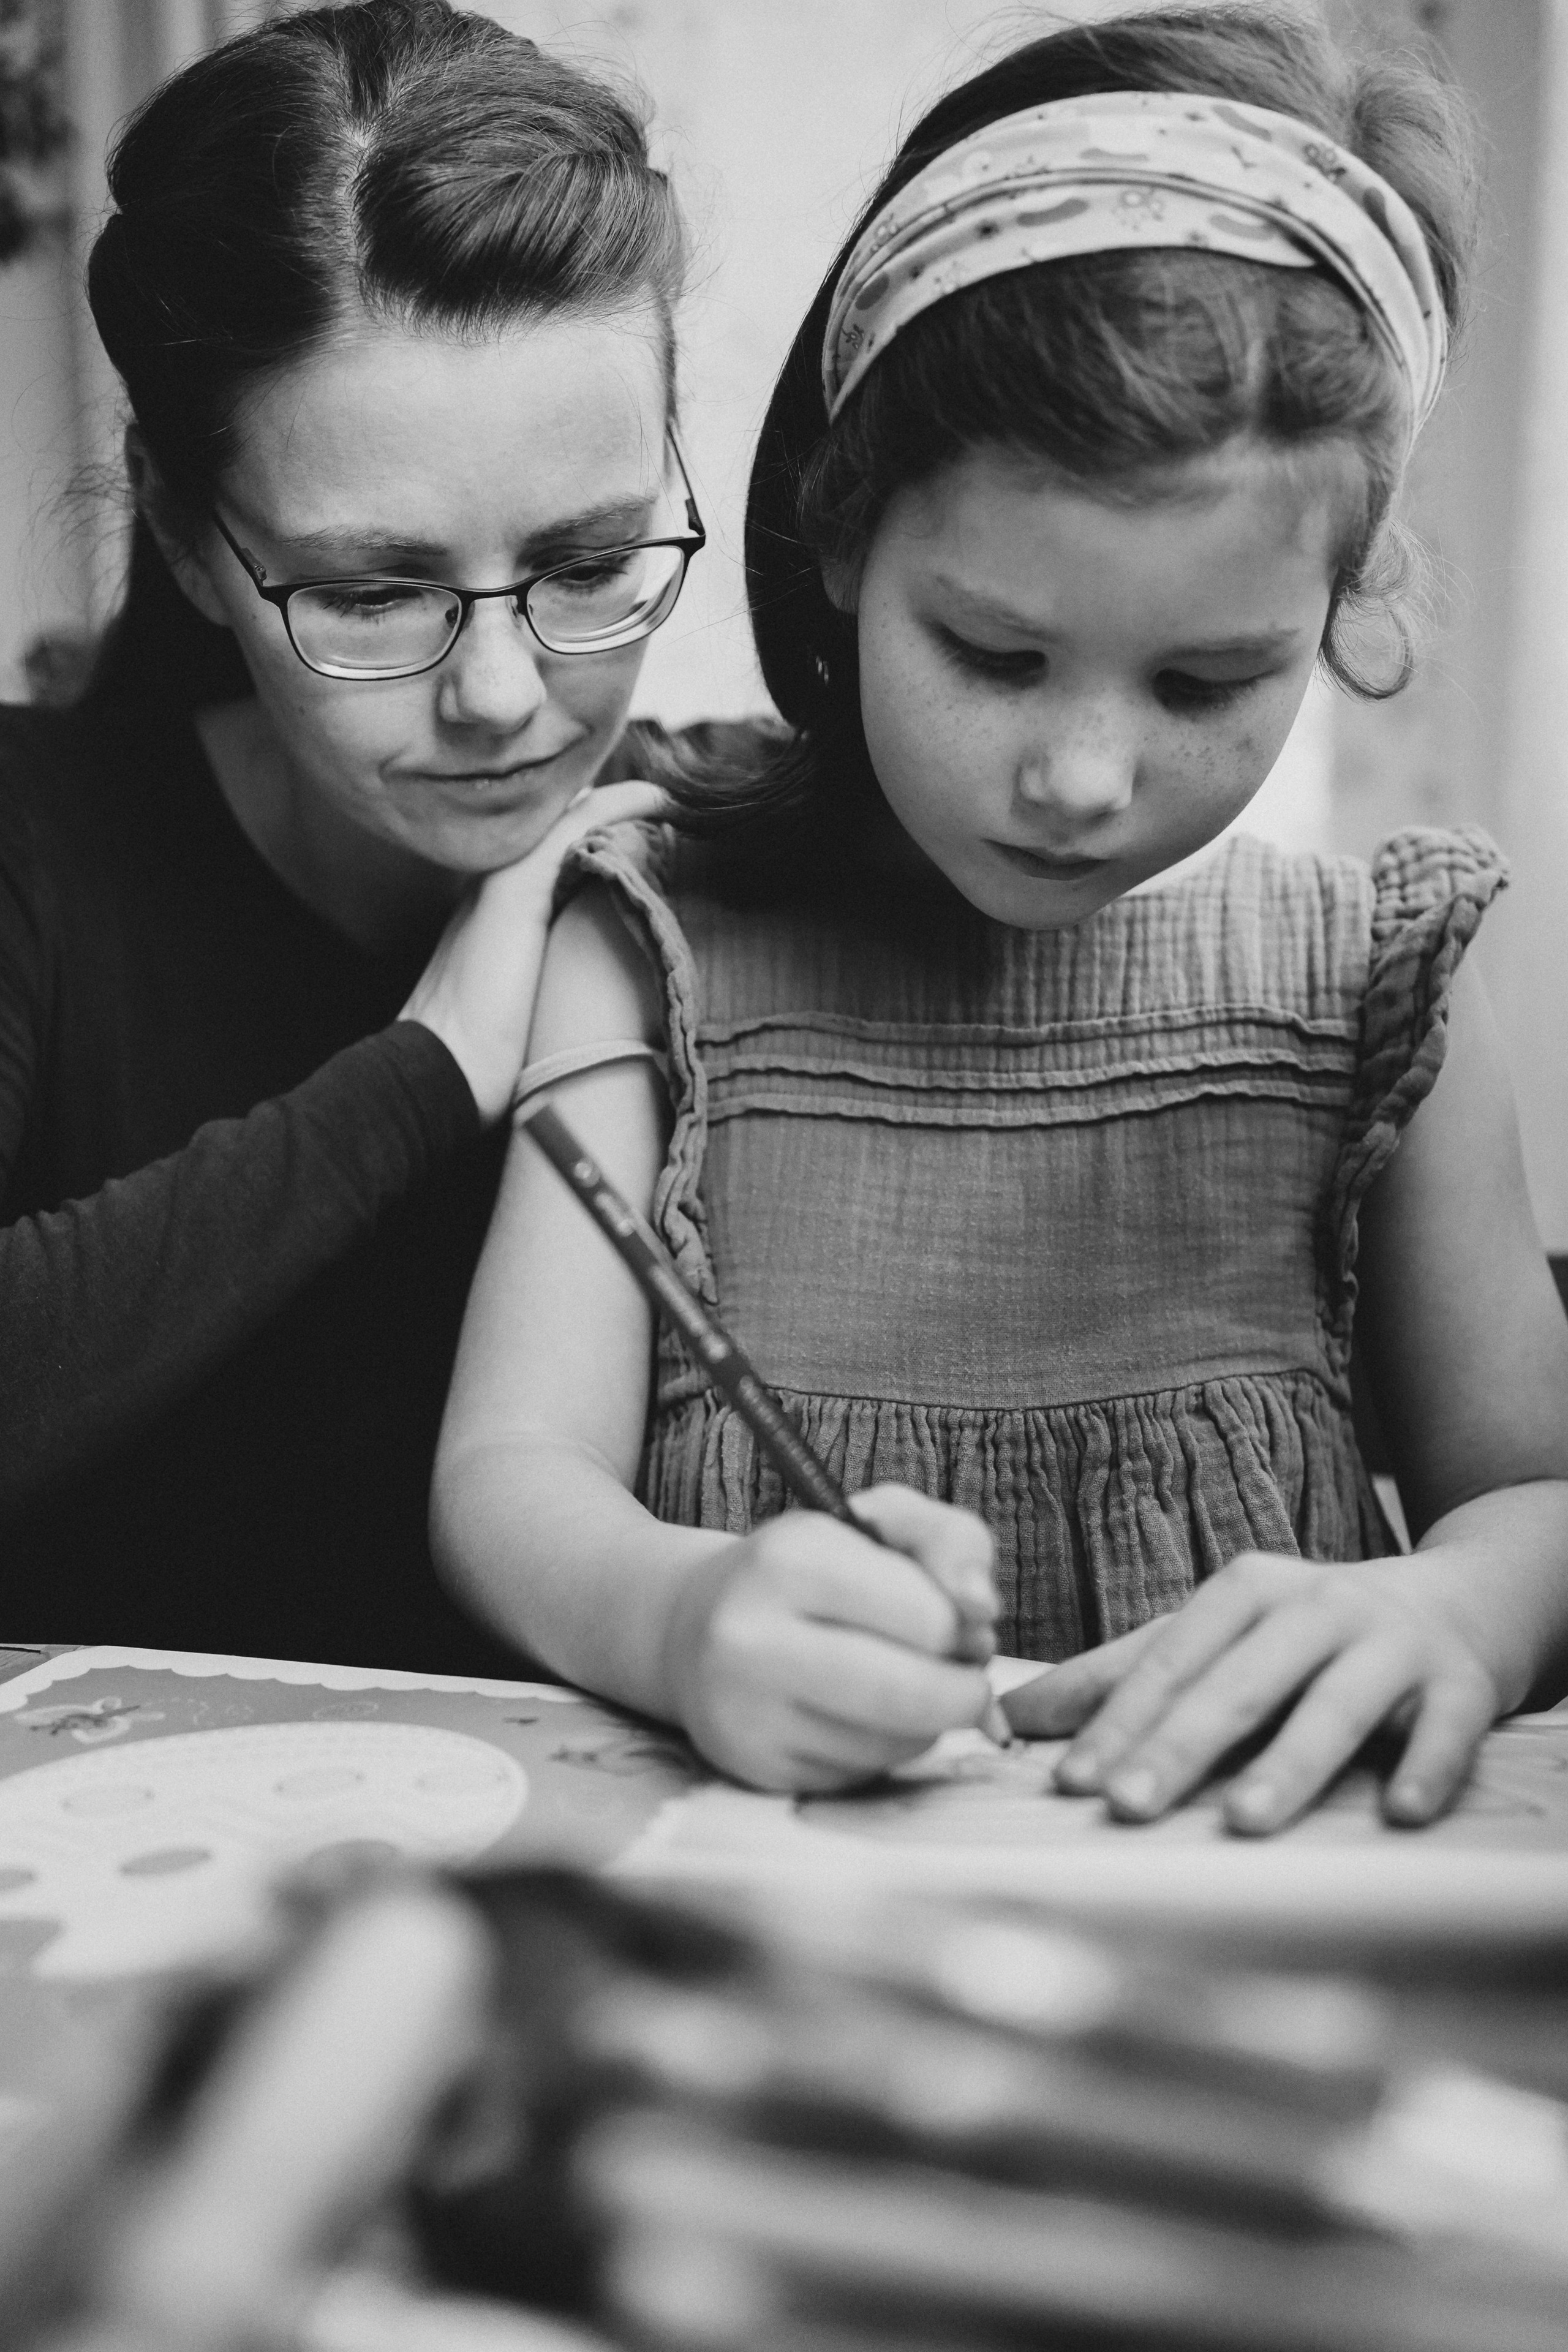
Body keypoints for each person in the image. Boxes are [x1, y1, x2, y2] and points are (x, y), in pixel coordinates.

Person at [432, 2, 1568, 1827]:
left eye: (1208, 682)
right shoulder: (646, 939)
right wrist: (686, 1614)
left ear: (1348, 600)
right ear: (841, 538)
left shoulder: (1388, 987)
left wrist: (1461, 1608)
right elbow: (508, 1472)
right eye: (996, 652)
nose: (1082, 777)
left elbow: (1537, 1500)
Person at [0, 0, 700, 1670]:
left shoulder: (723, 864)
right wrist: (434, 1067)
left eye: (592, 563)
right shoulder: (34, 850)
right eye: (375, 593)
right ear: (181, 536)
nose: (504, 695)